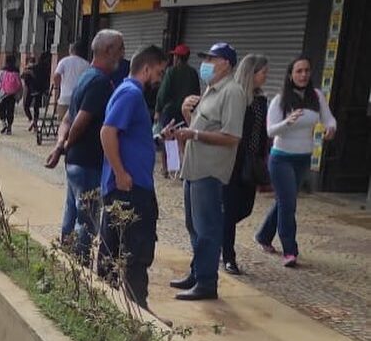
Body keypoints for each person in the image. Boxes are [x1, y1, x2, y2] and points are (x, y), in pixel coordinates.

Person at [168, 43, 246, 301]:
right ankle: (197, 272)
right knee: (194, 226)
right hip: (194, 168)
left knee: (208, 228)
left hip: (210, 171)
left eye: (211, 59)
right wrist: (185, 115)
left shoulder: (232, 92)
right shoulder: (210, 90)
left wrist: (195, 133)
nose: (206, 64)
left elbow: (232, 136)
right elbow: (200, 129)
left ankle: (207, 282)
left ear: (225, 63)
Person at [45, 30, 125, 264]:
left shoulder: (85, 76)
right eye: (120, 48)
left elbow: (67, 120)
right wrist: (65, 145)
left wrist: (61, 147)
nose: (123, 54)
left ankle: (64, 258)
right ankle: (77, 266)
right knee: (87, 219)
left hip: (75, 161)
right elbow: (78, 122)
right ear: (108, 50)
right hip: (89, 162)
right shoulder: (100, 82)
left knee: (71, 211)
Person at [99, 46, 167, 307]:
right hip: (128, 188)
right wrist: (121, 172)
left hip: (132, 186)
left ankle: (117, 307)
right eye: (159, 72)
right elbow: (108, 132)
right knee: (133, 253)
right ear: (146, 69)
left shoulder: (130, 93)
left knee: (120, 251)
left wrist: (157, 139)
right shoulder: (131, 93)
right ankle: (136, 312)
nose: (160, 78)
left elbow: (128, 136)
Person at [255, 57, 336, 268]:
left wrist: (330, 128)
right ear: (290, 75)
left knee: (284, 201)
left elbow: (328, 118)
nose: (303, 75)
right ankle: (290, 250)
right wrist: (287, 122)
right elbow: (270, 130)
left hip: (303, 158)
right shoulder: (280, 100)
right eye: (299, 71)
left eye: (307, 70)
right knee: (289, 204)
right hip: (281, 158)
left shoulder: (316, 96)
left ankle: (263, 236)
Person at [221, 54, 270, 275]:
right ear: (252, 73)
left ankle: (220, 231)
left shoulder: (261, 99)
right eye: (263, 72)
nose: (266, 77)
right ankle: (228, 256)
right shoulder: (236, 97)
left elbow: (261, 133)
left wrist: (262, 158)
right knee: (231, 210)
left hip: (252, 162)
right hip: (233, 162)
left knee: (245, 208)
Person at [155, 44, 201, 175]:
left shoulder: (171, 71)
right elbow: (197, 93)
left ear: (177, 57)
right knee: (185, 139)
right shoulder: (193, 73)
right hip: (186, 111)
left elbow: (163, 92)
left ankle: (170, 168)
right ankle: (184, 168)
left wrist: (158, 110)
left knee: (169, 138)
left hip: (171, 111)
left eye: (174, 55)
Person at [52, 43, 90, 119]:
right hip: (79, 98)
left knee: (63, 123)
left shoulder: (64, 61)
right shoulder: (86, 64)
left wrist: (57, 87)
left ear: (71, 50)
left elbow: (56, 76)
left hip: (65, 97)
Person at [0, 54, 23, 135]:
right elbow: (19, 84)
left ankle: (4, 123)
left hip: (3, 94)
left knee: (1, 110)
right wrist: (20, 95)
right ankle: (9, 127)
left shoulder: (2, 71)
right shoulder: (16, 71)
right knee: (10, 111)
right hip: (12, 95)